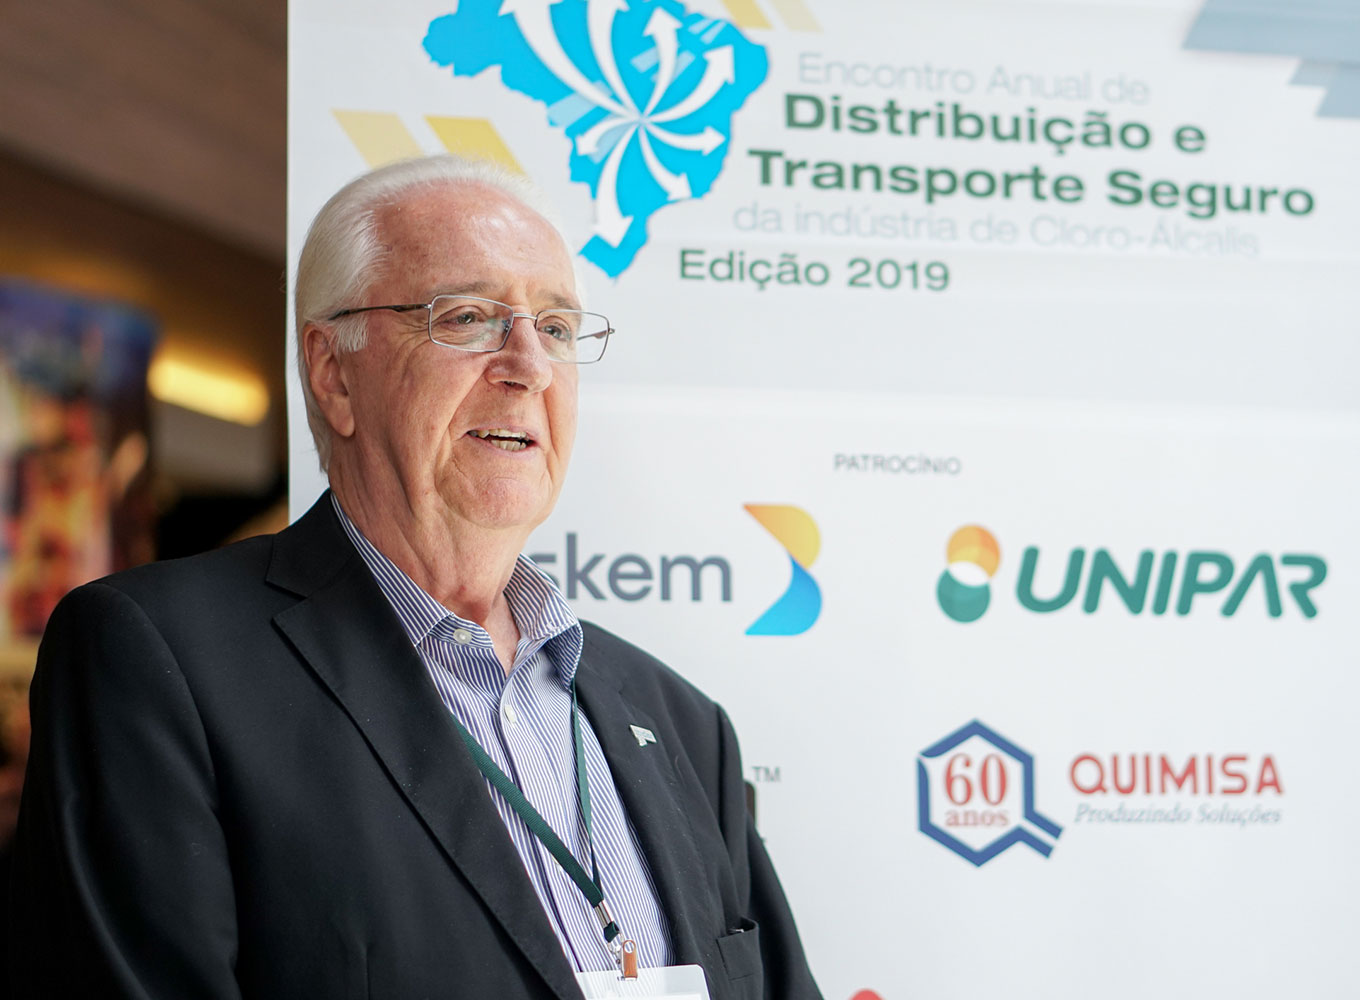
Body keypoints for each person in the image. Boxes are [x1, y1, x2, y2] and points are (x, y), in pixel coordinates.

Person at [11, 155, 823, 1000]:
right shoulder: (159, 661)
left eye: (555, 328)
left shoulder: (685, 724)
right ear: (333, 373)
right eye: (468, 317)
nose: (529, 366)